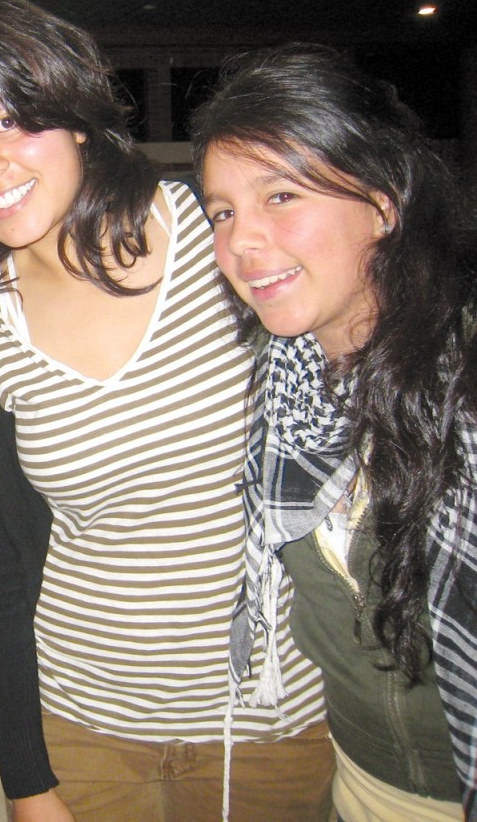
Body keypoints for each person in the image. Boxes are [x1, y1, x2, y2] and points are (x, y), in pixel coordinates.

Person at [0, 0, 333, 821]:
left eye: (11, 120)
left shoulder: (222, 238)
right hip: (83, 728)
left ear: (75, 115)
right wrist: (25, 780)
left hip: (269, 724)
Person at [192, 44, 477, 821]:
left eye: (280, 196)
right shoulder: (284, 387)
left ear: (385, 202)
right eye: (222, 212)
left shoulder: (463, 387)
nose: (241, 244)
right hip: (359, 786)